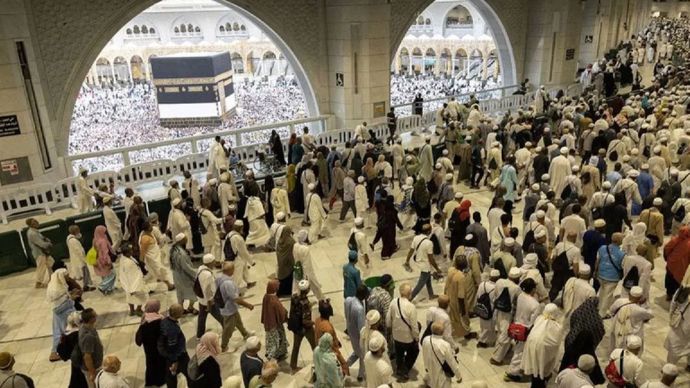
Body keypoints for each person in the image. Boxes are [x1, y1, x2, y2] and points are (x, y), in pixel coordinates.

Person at [559, 297, 605, 385]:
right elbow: (600, 331)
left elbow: (572, 322)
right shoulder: (597, 319)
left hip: (573, 339)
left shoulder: (577, 312)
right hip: (587, 342)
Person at [504, 278, 541, 382]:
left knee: (518, 350)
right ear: (533, 289)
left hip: (516, 326)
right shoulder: (535, 304)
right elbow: (533, 322)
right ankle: (511, 373)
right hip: (525, 330)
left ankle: (520, 369)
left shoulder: (520, 296)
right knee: (519, 353)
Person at [217, 262, 255, 353]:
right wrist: (248, 305)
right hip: (228, 309)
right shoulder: (228, 283)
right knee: (228, 329)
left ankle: (245, 334)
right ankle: (224, 346)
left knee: (238, 321)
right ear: (231, 270)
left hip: (229, 307)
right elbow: (236, 299)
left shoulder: (219, 278)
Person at [521, 304, 562, 388]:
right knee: (541, 370)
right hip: (544, 352)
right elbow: (556, 343)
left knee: (535, 369)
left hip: (532, 347)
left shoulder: (539, 319)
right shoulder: (557, 327)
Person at [387, 283, 419, 382]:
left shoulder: (393, 302)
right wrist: (416, 338)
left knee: (399, 353)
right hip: (407, 337)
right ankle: (405, 370)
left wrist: (390, 330)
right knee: (414, 352)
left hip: (396, 335)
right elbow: (414, 326)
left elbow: (388, 319)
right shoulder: (411, 307)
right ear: (410, 294)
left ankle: (399, 368)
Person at [47, 268, 78, 362]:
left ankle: (55, 352)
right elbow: (59, 307)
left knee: (59, 333)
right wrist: (71, 299)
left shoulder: (57, 285)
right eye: (66, 276)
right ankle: (55, 353)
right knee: (64, 332)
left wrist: (70, 295)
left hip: (61, 315)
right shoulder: (57, 290)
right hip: (63, 315)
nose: (68, 277)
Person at [609, 286, 653, 352]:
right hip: (630, 334)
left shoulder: (619, 301)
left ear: (629, 294)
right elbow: (650, 314)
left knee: (616, 347)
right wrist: (643, 304)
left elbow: (611, 310)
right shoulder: (639, 310)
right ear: (640, 298)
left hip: (617, 328)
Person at [135, 299, 166, 388]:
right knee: (160, 363)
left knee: (150, 363)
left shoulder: (144, 318)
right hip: (159, 347)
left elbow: (140, 335)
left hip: (148, 347)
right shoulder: (161, 319)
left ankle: (150, 381)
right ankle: (160, 381)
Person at [421, 321, 463, 388]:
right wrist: (459, 376)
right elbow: (451, 362)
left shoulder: (425, 339)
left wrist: (426, 366)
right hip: (441, 374)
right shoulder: (444, 345)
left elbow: (424, 354)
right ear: (442, 332)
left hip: (430, 368)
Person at [405, 224, 439, 301]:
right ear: (429, 231)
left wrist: (407, 261)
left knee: (428, 280)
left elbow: (411, 251)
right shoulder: (429, 243)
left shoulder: (416, 238)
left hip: (418, 262)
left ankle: (431, 294)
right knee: (420, 284)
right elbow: (431, 258)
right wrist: (437, 268)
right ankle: (410, 298)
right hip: (425, 266)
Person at [71, 308, 103, 388]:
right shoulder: (88, 336)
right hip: (92, 368)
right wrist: (92, 373)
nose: (97, 316)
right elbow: (87, 357)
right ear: (92, 319)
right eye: (95, 315)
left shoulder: (85, 327)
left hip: (95, 365)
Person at [596, 232, 625, 316]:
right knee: (608, 296)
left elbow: (597, 261)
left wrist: (595, 271)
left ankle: (598, 307)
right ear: (620, 241)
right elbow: (622, 267)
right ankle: (602, 314)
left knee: (601, 291)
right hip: (612, 278)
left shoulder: (602, 248)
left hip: (601, 274)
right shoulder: (621, 254)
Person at [344, 284, 369, 381]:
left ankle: (345, 365)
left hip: (350, 330)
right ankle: (360, 375)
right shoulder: (359, 309)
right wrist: (366, 338)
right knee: (363, 355)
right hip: (357, 335)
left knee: (357, 352)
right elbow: (361, 328)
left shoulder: (348, 300)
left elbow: (346, 315)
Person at [169, 234, 198, 315]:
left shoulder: (173, 249)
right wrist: (196, 275)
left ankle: (180, 310)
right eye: (185, 239)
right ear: (181, 241)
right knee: (193, 292)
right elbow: (186, 267)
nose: (187, 240)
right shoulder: (181, 253)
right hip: (184, 276)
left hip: (177, 275)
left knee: (180, 293)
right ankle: (190, 307)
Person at [261, 279, 289, 361]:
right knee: (276, 340)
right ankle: (271, 358)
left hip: (269, 322)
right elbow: (282, 311)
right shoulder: (274, 300)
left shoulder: (266, 296)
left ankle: (280, 353)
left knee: (272, 339)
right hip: (275, 324)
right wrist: (286, 316)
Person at [118, 243, 147, 316]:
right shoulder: (127, 263)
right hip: (134, 283)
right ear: (127, 252)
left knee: (130, 297)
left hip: (129, 283)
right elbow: (133, 276)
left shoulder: (125, 258)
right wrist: (133, 288)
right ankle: (138, 310)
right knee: (141, 296)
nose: (132, 252)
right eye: (130, 251)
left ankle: (132, 311)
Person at [224, 221, 255, 291]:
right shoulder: (238, 238)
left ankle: (248, 282)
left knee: (245, 269)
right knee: (237, 276)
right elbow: (244, 251)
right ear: (241, 228)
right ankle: (236, 291)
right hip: (237, 259)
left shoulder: (228, 235)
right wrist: (251, 261)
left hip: (232, 256)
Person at [26, 218, 54, 288]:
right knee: (41, 268)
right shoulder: (32, 233)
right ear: (30, 225)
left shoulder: (34, 231)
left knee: (51, 262)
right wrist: (49, 243)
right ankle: (38, 283)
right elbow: (41, 244)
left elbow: (41, 239)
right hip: (39, 253)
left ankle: (52, 278)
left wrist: (46, 239)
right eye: (34, 222)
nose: (36, 222)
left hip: (43, 252)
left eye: (35, 221)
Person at [664, 226, 690, 300]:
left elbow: (666, 248)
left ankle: (669, 294)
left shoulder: (675, 239)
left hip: (671, 263)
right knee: (676, 280)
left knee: (669, 278)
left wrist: (668, 258)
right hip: (681, 266)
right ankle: (675, 296)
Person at [477, 269, 500, 347]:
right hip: (490, 310)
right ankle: (482, 341)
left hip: (481, 308)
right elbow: (495, 301)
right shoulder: (495, 288)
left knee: (483, 325)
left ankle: (483, 339)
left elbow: (478, 295)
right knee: (488, 327)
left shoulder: (482, 284)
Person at [93, 225, 116, 294]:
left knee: (104, 274)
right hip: (104, 259)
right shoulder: (102, 240)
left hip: (98, 259)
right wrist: (108, 261)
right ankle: (103, 286)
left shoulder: (95, 239)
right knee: (112, 274)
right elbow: (105, 252)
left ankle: (108, 289)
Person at [275, 224, 295, 297]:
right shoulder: (291, 242)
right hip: (288, 264)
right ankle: (287, 292)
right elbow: (293, 252)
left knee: (282, 279)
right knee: (289, 279)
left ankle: (280, 292)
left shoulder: (280, 241)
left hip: (281, 263)